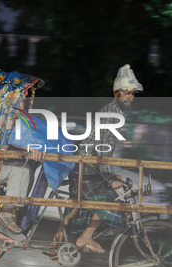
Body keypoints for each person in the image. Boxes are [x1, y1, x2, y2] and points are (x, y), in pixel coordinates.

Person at [50, 64, 143, 253]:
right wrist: (110, 178)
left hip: (83, 166)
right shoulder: (112, 114)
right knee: (110, 201)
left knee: (77, 204)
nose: (130, 97)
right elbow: (102, 151)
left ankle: (57, 239)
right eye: (127, 93)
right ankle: (85, 237)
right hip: (88, 167)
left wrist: (111, 176)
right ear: (116, 93)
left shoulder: (113, 111)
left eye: (133, 94)